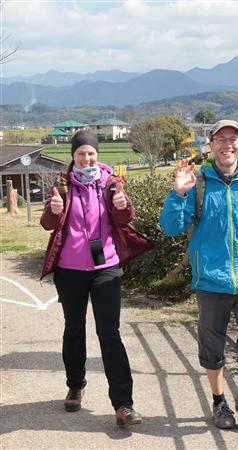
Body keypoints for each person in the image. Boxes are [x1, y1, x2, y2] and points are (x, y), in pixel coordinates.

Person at [159, 120, 238, 434]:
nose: (227, 144)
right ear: (211, 145)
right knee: (211, 347)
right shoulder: (198, 182)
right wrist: (178, 194)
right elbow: (171, 227)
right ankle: (219, 402)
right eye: (221, 139)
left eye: (233, 139)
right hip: (211, 280)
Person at [40, 129, 153, 427]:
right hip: (70, 271)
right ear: (73, 156)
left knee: (109, 332)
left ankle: (123, 404)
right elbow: (47, 224)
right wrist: (53, 211)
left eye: (91, 153)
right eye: (80, 153)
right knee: (74, 328)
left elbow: (125, 219)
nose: (86, 158)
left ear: (97, 155)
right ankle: (75, 385)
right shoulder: (62, 186)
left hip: (106, 269)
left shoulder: (111, 183)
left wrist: (123, 205)